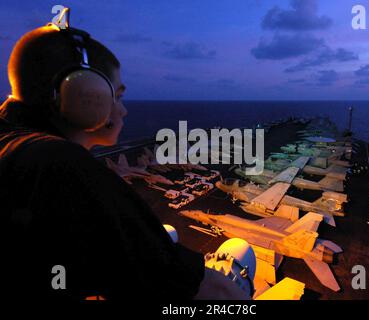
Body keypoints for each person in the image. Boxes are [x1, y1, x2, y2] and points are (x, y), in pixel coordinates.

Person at [0, 23, 248, 301]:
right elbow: (206, 290)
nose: (124, 109)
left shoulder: (13, 147)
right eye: (117, 96)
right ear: (85, 96)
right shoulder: (61, 164)